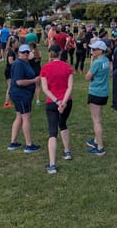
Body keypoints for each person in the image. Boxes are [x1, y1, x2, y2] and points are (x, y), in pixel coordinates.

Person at [40, 44, 74, 174]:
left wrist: (57, 102)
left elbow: (45, 89)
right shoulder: (67, 67)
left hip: (52, 103)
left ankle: (52, 164)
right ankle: (67, 152)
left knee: (52, 132)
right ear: (60, 53)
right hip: (67, 102)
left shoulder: (45, 69)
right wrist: (63, 102)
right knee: (63, 124)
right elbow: (70, 87)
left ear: (50, 54)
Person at [7, 44, 41, 154]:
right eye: (23, 52)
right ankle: (29, 145)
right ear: (19, 53)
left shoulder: (25, 62)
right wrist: (34, 81)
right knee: (26, 117)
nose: (26, 54)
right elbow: (19, 82)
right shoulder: (18, 64)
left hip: (21, 94)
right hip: (21, 94)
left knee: (19, 116)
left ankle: (13, 142)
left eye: (27, 52)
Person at [85, 39, 110, 156]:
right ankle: (96, 140)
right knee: (98, 117)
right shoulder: (106, 60)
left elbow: (88, 77)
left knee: (96, 120)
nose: (92, 50)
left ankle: (100, 147)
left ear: (101, 50)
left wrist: (92, 62)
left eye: (94, 49)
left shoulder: (97, 62)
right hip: (104, 92)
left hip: (95, 92)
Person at [3, 37, 18, 108]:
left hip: (11, 70)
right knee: (10, 87)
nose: (17, 44)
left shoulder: (13, 51)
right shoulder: (11, 52)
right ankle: (6, 103)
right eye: (16, 43)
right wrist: (18, 61)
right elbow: (10, 62)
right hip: (9, 71)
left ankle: (10, 102)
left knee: (12, 86)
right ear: (12, 44)